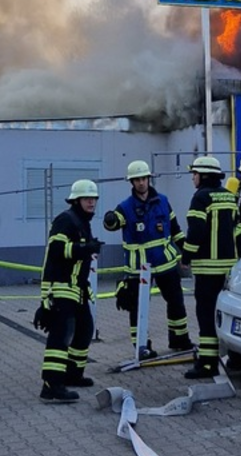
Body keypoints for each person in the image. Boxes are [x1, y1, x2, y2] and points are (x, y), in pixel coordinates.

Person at [102, 160, 193, 357]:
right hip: (138, 269)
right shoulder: (125, 207)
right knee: (137, 308)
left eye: (143, 178)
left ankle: (180, 340)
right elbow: (113, 223)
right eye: (137, 180)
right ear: (132, 183)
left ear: (148, 179)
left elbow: (175, 230)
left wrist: (187, 252)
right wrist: (110, 219)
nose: (141, 183)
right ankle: (141, 346)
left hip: (166, 264)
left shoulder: (163, 201)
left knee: (176, 302)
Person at [33, 179, 103, 403]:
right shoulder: (66, 220)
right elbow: (56, 250)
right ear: (76, 200)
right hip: (61, 286)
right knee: (61, 335)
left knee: (84, 330)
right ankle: (51, 385)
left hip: (77, 288)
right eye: (87, 198)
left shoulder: (82, 222)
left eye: (93, 198)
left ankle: (73, 375)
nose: (91, 202)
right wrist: (85, 249)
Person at [180, 156, 238, 379]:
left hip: (207, 268)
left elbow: (196, 231)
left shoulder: (201, 198)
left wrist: (186, 256)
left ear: (203, 175)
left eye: (194, 174)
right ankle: (232, 356)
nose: (192, 178)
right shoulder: (229, 196)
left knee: (205, 315)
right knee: (223, 313)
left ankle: (207, 364)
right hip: (229, 268)